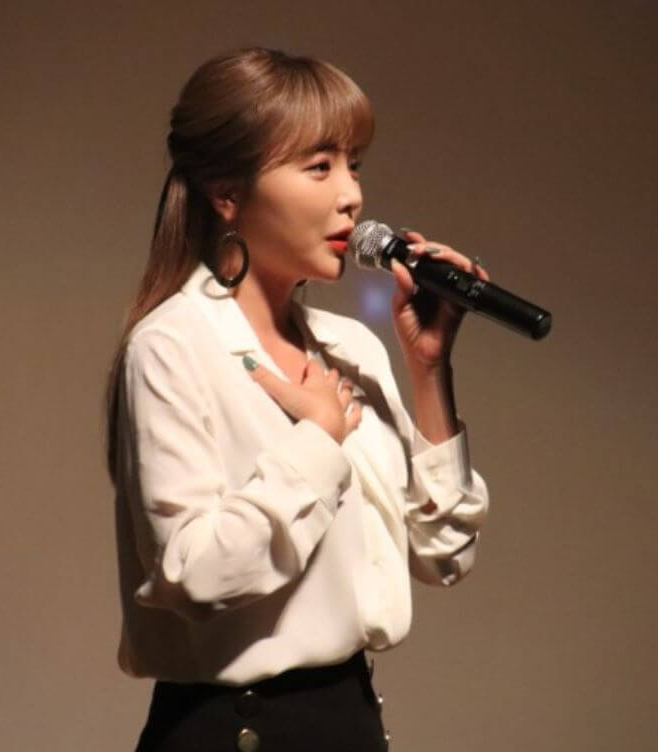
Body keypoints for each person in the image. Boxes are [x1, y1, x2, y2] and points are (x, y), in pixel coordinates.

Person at [106, 47, 490, 752]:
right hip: (236, 731)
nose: (351, 196)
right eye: (319, 167)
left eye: (354, 166)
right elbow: (194, 574)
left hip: (348, 721)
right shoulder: (172, 346)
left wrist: (429, 368)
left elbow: (444, 557)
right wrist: (317, 441)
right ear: (227, 193)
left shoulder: (350, 346)